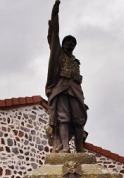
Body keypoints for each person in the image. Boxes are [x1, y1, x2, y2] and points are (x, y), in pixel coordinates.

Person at [45, 0, 88, 153]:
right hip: (61, 89)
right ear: (63, 44)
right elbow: (54, 34)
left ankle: (79, 148)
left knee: (79, 118)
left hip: (75, 90)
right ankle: (64, 147)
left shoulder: (76, 62)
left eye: (72, 42)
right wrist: (55, 14)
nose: (70, 44)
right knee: (63, 117)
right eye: (67, 41)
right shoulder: (58, 54)